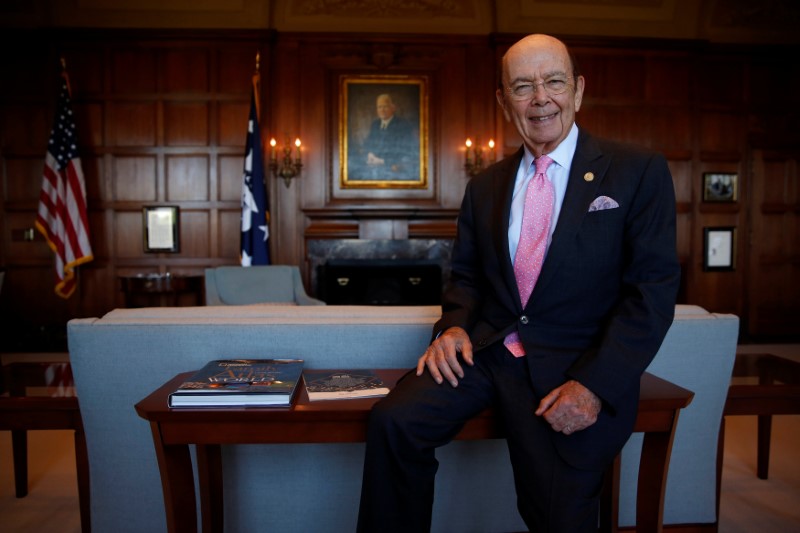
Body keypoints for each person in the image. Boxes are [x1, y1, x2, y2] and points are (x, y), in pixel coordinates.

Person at [357, 33, 680, 532]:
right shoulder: (485, 185)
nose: (540, 98)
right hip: (486, 354)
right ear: (503, 100)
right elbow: (465, 277)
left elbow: (651, 293)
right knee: (394, 423)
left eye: (553, 82)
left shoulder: (637, 171)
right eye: (523, 86)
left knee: (556, 516)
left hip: (574, 366)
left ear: (577, 90)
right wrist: (453, 327)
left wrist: (594, 386)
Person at [359, 93, 417, 179]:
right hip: (374, 166)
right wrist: (370, 154)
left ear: (393, 108)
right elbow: (368, 144)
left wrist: (382, 161)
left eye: (385, 106)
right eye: (379, 107)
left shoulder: (403, 125)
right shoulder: (375, 124)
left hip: (393, 168)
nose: (382, 110)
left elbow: (406, 152)